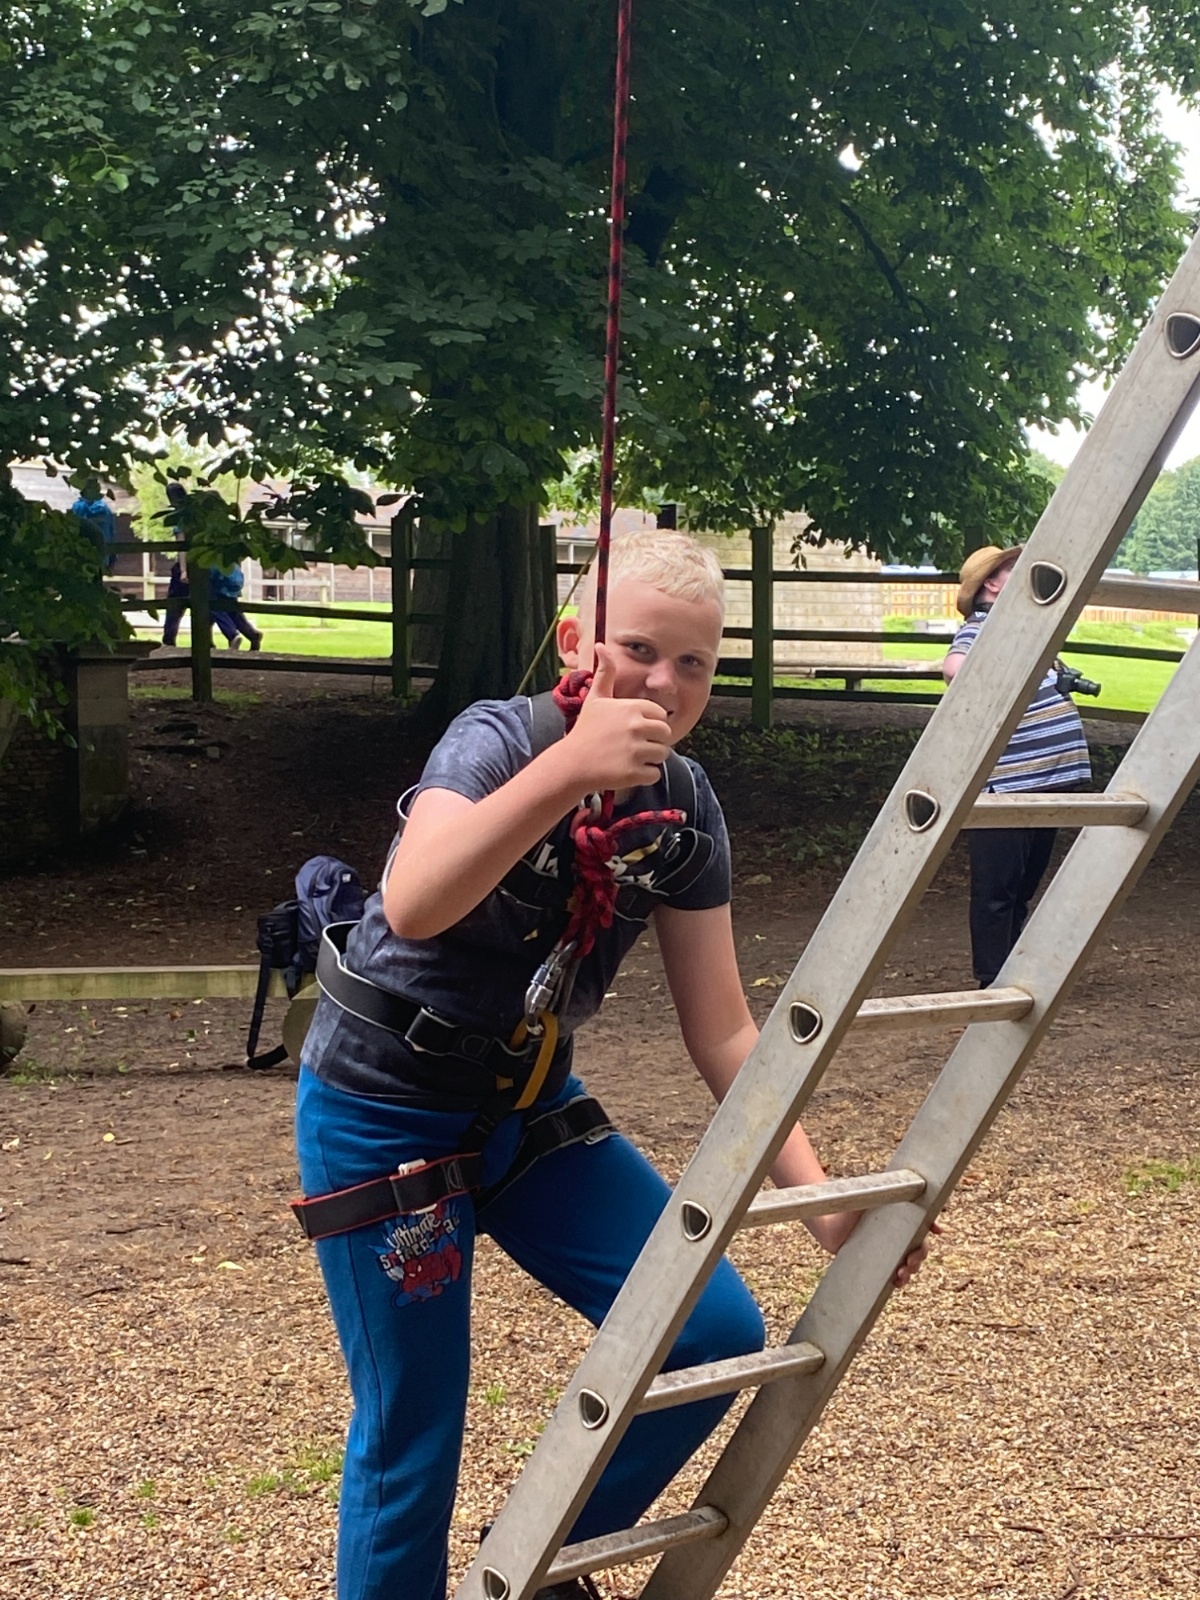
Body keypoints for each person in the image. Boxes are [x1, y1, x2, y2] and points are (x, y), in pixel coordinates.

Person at [294, 531, 931, 1600]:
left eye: (695, 663)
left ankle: (538, 1563)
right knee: (414, 1429)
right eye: (638, 648)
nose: (665, 683)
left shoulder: (683, 806)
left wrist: (819, 1202)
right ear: (575, 640)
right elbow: (414, 900)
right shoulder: (499, 740)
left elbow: (724, 1031)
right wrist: (568, 771)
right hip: (385, 1109)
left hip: (526, 1108)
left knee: (711, 1335)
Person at [943, 544, 1092, 987]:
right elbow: (955, 668)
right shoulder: (984, 626)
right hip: (1008, 781)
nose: (1023, 574)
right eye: (1013, 569)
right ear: (991, 583)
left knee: (1024, 881)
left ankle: (1011, 968)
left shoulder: (1023, 629)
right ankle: (992, 976)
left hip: (1046, 779)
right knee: (998, 886)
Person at [159, 481, 244, 649]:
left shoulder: (181, 516)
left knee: (175, 604)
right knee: (206, 602)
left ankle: (169, 639)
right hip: (203, 564)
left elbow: (182, 545)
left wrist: (183, 570)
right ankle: (215, 639)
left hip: (188, 565)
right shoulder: (198, 514)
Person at [69, 477, 119, 571]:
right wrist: (113, 557)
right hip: (103, 551)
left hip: (82, 553)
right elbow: (111, 532)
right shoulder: (105, 509)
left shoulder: (77, 508)